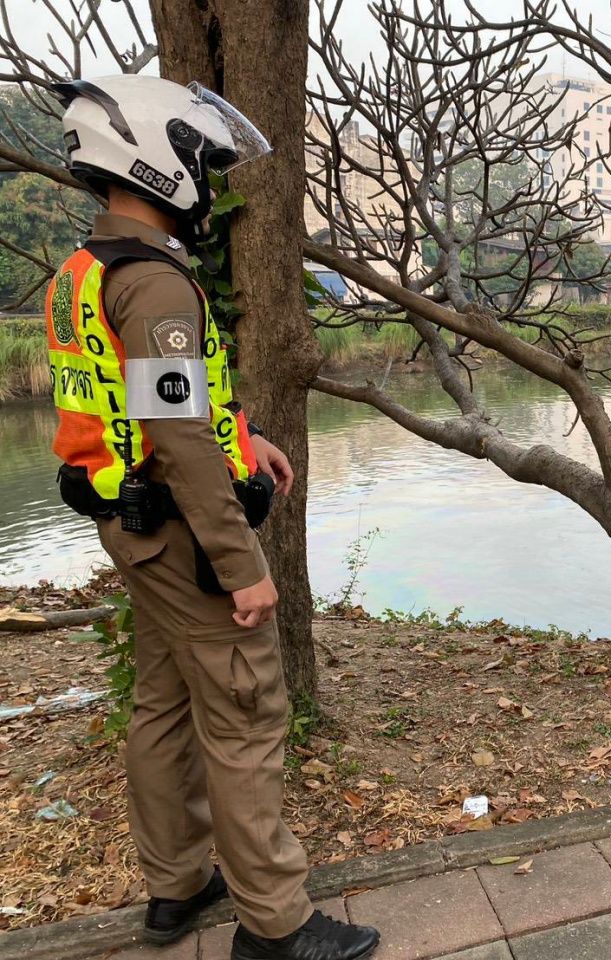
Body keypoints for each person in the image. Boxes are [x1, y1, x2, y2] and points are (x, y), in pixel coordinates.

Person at [46, 75, 379, 960]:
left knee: (161, 702)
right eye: (204, 161)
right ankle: (276, 927)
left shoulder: (82, 273)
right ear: (157, 160)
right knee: (244, 714)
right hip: (188, 535)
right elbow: (178, 441)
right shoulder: (157, 287)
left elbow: (165, 407)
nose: (212, 182)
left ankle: (179, 887)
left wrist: (250, 433)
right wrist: (244, 566)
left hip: (131, 527)